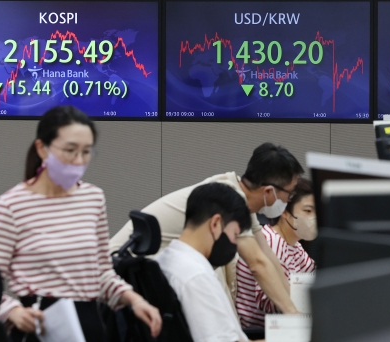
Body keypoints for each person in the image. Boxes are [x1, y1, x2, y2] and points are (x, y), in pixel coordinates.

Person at [0, 106, 162, 342]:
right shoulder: (12, 205)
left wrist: (135, 300)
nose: (78, 161)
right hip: (39, 324)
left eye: (86, 152)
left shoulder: (93, 198)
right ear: (42, 148)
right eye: (70, 151)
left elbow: (102, 274)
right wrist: (12, 311)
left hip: (88, 324)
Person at [110, 143, 304, 315]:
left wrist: (295, 307)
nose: (289, 200)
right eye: (290, 193)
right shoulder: (225, 200)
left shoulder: (237, 196)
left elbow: (267, 255)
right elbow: (257, 264)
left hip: (150, 278)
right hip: (124, 278)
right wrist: (295, 317)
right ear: (268, 191)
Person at [156, 182, 260, 342]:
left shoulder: (166, 259)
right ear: (216, 224)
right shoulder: (196, 275)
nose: (234, 243)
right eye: (234, 234)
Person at [236, 178, 317, 328]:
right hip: (260, 331)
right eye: (307, 211)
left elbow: (313, 282)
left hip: (283, 325)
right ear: (285, 212)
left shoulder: (296, 248)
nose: (314, 218)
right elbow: (268, 302)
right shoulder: (270, 241)